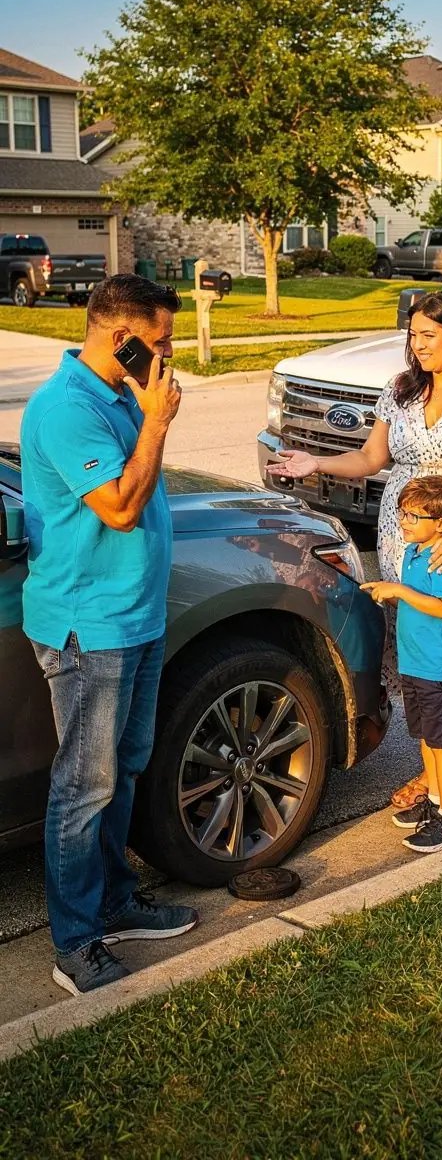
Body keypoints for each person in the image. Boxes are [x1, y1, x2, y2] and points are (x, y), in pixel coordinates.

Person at [267, 291, 442, 815]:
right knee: (418, 644)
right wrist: (314, 464)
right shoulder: (401, 391)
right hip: (406, 532)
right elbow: (372, 457)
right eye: (413, 335)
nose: (417, 346)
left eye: (428, 336)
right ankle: (436, 765)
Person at [21, 274, 199, 996]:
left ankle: (117, 902)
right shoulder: (65, 408)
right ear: (118, 336)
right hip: (88, 626)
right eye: (157, 342)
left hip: (135, 616)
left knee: (124, 765)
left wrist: (147, 414)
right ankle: (76, 943)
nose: (167, 356)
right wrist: (157, 424)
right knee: (83, 785)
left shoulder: (119, 393)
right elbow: (121, 509)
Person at [362, 475, 442, 853]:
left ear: (441, 524)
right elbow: (415, 601)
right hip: (416, 665)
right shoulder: (414, 551)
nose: (403, 521)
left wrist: (398, 591)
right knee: (427, 739)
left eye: (413, 516)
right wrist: (386, 592)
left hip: (440, 668)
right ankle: (438, 803)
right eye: (402, 513)